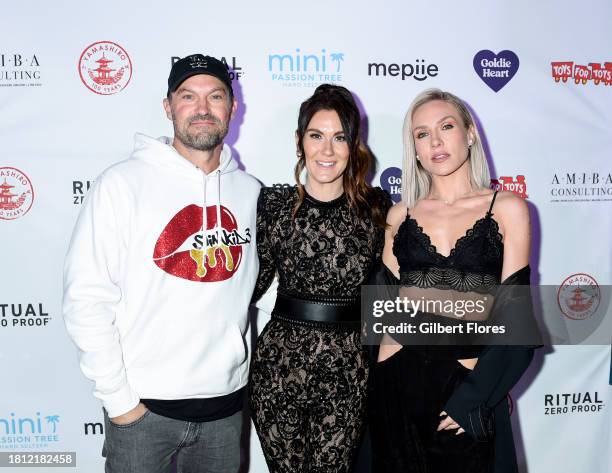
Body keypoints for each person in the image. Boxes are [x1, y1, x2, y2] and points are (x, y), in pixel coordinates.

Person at [63, 54, 260, 473]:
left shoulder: (250, 193)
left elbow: (268, 288)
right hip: (142, 415)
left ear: (232, 108)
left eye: (215, 96)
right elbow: (86, 298)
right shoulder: (121, 184)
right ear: (168, 107)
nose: (202, 108)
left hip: (225, 414)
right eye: (188, 96)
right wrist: (121, 403)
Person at [369, 89, 536, 473]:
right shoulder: (399, 215)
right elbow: (384, 314)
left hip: (466, 388)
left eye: (446, 127)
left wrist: (477, 397)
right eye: (422, 134)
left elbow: (517, 321)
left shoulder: (507, 209)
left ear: (470, 133)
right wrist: (382, 385)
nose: (436, 142)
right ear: (413, 147)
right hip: (397, 384)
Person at [248, 84, 391, 473]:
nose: (327, 151)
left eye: (339, 137)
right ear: (300, 142)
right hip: (278, 368)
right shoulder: (273, 206)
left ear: (353, 145)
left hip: (348, 372)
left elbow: (403, 292)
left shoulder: (377, 210)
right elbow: (249, 286)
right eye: (316, 136)